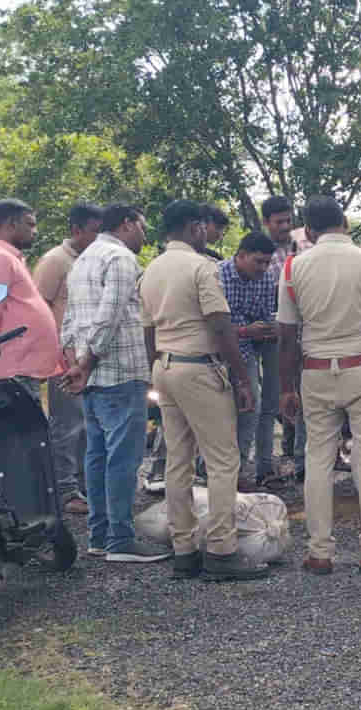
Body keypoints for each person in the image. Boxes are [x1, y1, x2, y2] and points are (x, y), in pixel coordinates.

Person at [278, 195, 361, 576]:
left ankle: (319, 552)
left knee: (317, 458)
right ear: (346, 224)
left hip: (315, 370)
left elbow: (286, 335)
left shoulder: (293, 268)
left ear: (307, 230)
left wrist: (285, 387)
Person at [139, 199, 265, 581]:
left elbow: (148, 331)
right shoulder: (201, 267)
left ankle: (184, 550)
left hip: (166, 367)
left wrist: (154, 372)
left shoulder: (151, 270)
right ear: (195, 228)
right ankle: (222, 550)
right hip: (199, 368)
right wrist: (243, 379)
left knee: (178, 460)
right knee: (223, 460)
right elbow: (220, 326)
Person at [61, 203, 170, 562]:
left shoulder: (83, 258)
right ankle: (120, 540)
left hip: (91, 374)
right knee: (123, 458)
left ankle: (99, 535)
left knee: (97, 456)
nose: (145, 234)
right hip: (118, 372)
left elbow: (70, 321)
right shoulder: (119, 258)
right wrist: (88, 362)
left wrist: (77, 363)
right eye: (142, 226)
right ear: (127, 224)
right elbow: (108, 315)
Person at [34, 202, 103, 515]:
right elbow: (40, 308)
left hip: (88, 356)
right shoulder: (55, 260)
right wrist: (61, 351)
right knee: (67, 424)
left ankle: (83, 483)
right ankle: (64, 490)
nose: (99, 236)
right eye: (94, 230)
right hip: (64, 356)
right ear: (76, 230)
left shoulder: (94, 258)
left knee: (88, 423)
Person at [0, 199, 66, 397]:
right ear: (11, 225)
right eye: (30, 224)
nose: (35, 230)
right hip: (13, 369)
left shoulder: (10, 257)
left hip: (21, 366)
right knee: (23, 427)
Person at [218, 231, 277, 492]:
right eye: (258, 262)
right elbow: (215, 326)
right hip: (215, 353)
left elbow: (262, 316)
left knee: (252, 405)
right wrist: (244, 330)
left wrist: (268, 328)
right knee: (220, 413)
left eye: (267, 262)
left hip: (247, 352)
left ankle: (241, 469)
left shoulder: (266, 279)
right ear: (240, 256)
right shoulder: (217, 276)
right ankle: (211, 469)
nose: (263, 268)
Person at [262, 196, 304, 481]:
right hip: (269, 334)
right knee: (273, 398)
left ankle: (301, 458)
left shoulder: (301, 250)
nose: (285, 227)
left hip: (300, 333)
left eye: (288, 220)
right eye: (279, 222)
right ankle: (267, 461)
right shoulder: (260, 252)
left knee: (303, 394)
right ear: (266, 223)